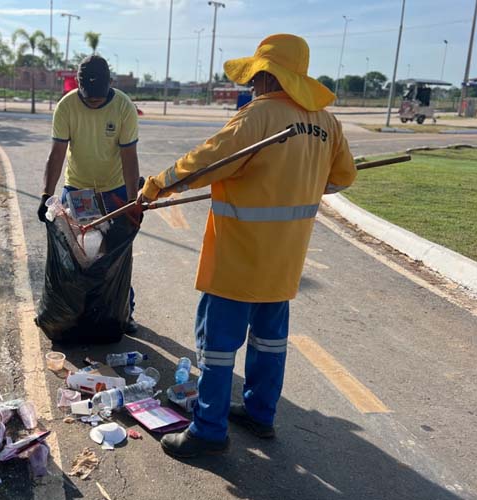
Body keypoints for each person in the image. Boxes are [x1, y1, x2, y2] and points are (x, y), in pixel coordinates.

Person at [138, 34, 357, 458]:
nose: (252, 84)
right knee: (269, 343)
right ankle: (260, 413)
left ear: (268, 75)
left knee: (217, 350)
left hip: (237, 263)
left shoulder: (257, 117)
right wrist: (301, 181)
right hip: (285, 264)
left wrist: (155, 187)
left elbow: (206, 161)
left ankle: (208, 431)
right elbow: (342, 178)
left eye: (256, 75)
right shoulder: (327, 123)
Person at [38, 54, 141, 332]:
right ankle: (78, 313)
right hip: (78, 192)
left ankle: (122, 311)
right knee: (79, 255)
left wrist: (133, 201)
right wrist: (46, 194)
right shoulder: (67, 107)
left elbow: (130, 158)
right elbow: (57, 154)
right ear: (79, 85)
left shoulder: (123, 107)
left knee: (116, 255)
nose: (94, 101)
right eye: (88, 95)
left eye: (99, 95)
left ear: (110, 83)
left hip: (115, 190)